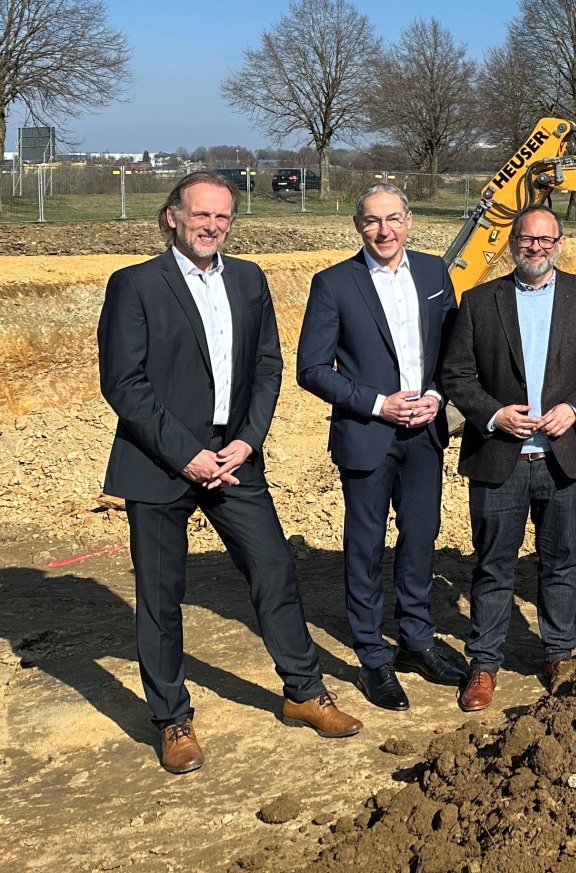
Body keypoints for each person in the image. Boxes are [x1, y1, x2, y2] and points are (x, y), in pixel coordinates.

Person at [98, 172, 361, 774]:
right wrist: (185, 454)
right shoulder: (135, 285)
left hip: (235, 457)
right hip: (162, 460)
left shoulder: (248, 279)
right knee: (161, 596)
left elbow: (268, 366)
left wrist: (246, 440)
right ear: (173, 216)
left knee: (274, 569)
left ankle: (303, 692)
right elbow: (124, 384)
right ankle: (171, 719)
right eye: (201, 215)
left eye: (223, 217)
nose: (212, 226)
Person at [440, 207, 576, 710]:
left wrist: (575, 407)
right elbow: (457, 375)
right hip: (501, 457)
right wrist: (495, 415)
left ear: (560, 243)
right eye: (526, 239)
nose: (535, 248)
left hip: (564, 456)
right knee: (493, 564)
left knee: (560, 560)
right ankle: (484, 664)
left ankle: (559, 653)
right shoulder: (479, 302)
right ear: (512, 243)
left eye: (545, 240)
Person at [296, 182, 468, 712]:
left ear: (409, 221)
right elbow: (312, 368)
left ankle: (416, 641)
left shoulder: (436, 275)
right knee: (366, 548)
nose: (384, 231)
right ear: (358, 226)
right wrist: (376, 404)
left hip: (425, 434)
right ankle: (373, 656)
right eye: (373, 221)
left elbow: (454, 351)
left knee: (421, 538)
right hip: (368, 435)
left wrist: (438, 395)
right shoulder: (333, 284)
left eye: (393, 219)